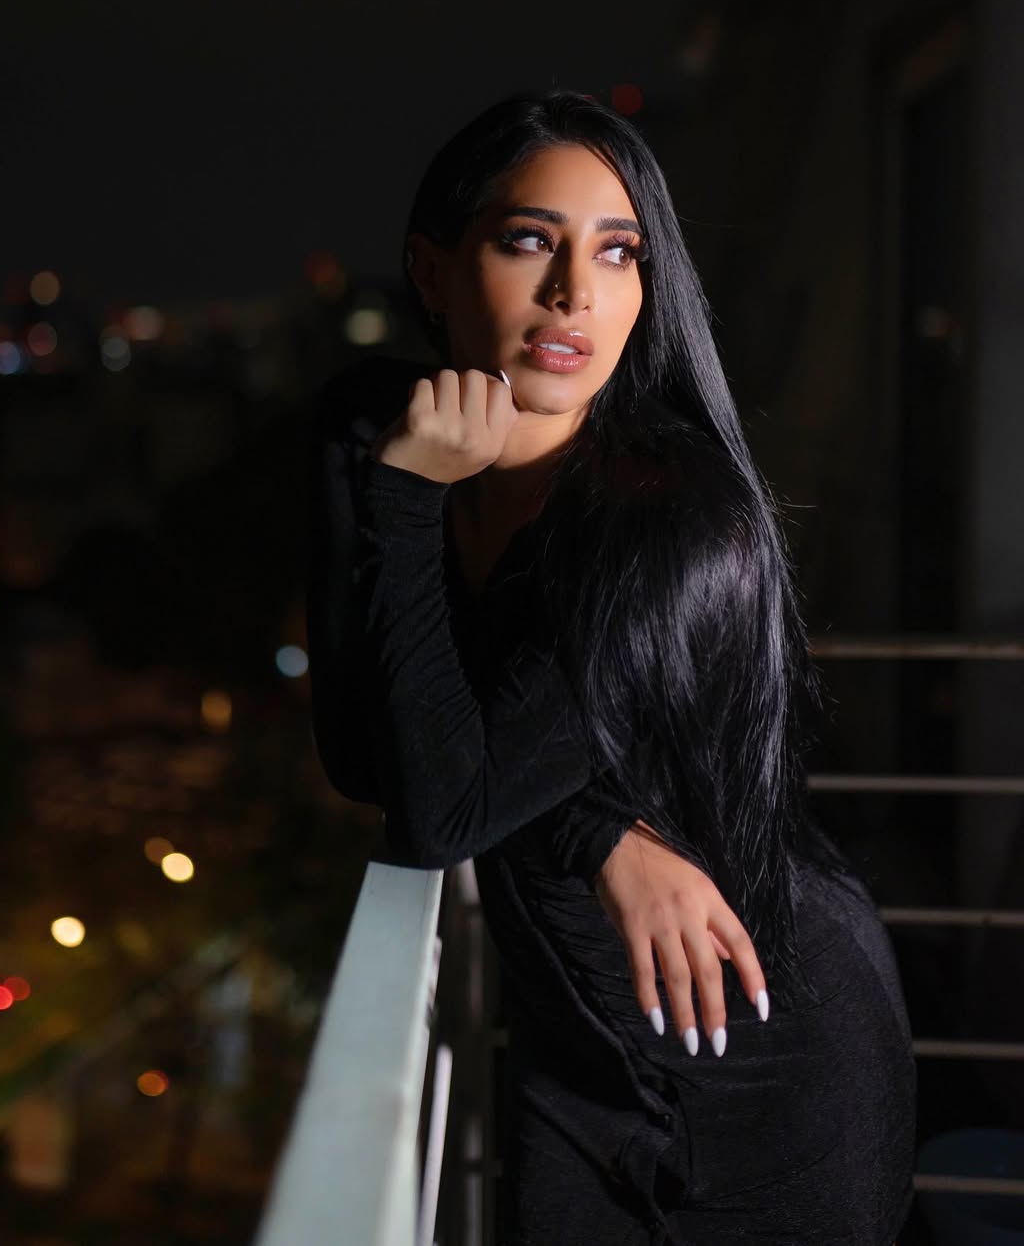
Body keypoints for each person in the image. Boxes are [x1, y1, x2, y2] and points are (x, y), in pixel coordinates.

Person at [304, 90, 916, 1244]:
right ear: (432, 270)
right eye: (528, 239)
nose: (574, 293)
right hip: (578, 1047)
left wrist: (406, 502)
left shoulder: (668, 520)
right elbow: (361, 753)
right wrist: (598, 832)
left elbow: (446, 809)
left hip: (766, 1046)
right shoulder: (369, 426)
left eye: (619, 251)